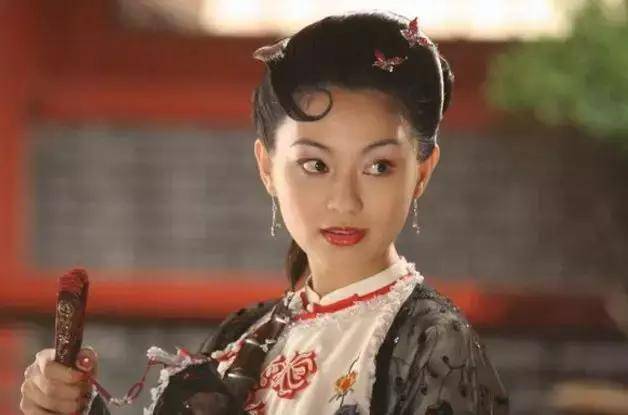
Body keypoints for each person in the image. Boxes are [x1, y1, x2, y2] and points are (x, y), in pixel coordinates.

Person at [19, 10, 510, 415]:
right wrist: (69, 407)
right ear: (267, 167)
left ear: (422, 172)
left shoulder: (434, 342)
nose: (345, 200)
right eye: (315, 165)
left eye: (378, 166)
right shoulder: (243, 335)